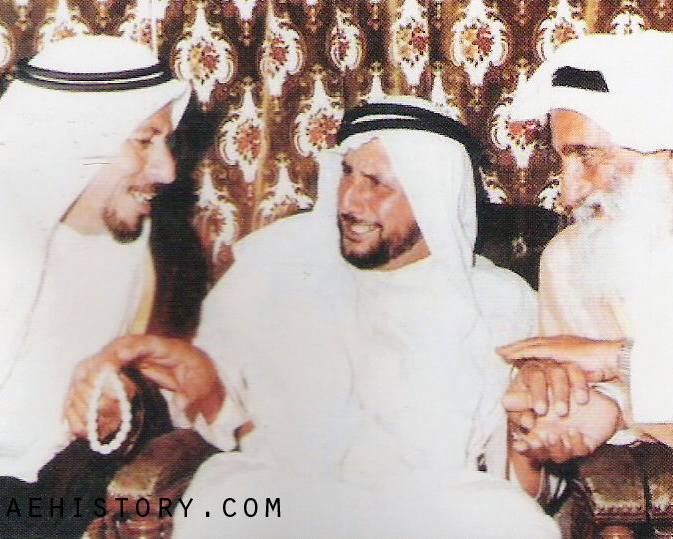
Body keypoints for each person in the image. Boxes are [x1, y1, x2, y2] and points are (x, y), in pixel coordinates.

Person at [66, 97, 559, 538]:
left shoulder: (500, 302)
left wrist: (529, 441)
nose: (349, 201)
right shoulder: (273, 267)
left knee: (513, 522)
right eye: (346, 174)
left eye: (376, 184)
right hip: (284, 496)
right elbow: (204, 410)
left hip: (432, 508)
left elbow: (530, 475)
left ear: (433, 196)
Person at [0, 35, 190, 537]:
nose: (167, 170)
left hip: (55, 500)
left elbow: (133, 404)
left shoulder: (132, 245)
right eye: (144, 141)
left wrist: (114, 410)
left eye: (167, 142)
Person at [498, 31, 673, 498]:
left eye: (588, 158)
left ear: (671, 153)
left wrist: (616, 362)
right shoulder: (571, 258)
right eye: (563, 160)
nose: (568, 193)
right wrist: (559, 411)